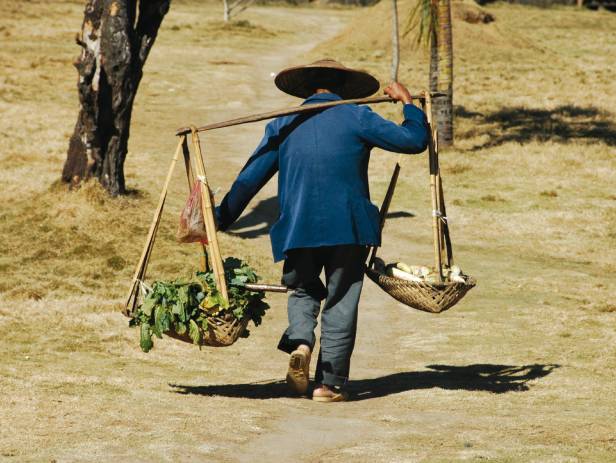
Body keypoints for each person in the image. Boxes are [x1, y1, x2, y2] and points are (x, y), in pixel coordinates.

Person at [215, 59, 429, 402]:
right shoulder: (357, 116)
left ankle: (301, 342)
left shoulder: (284, 122)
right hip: (349, 227)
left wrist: (218, 219)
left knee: (302, 289)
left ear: (306, 89)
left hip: (298, 227)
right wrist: (408, 104)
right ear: (342, 89)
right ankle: (329, 386)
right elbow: (414, 140)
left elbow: (250, 179)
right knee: (341, 301)